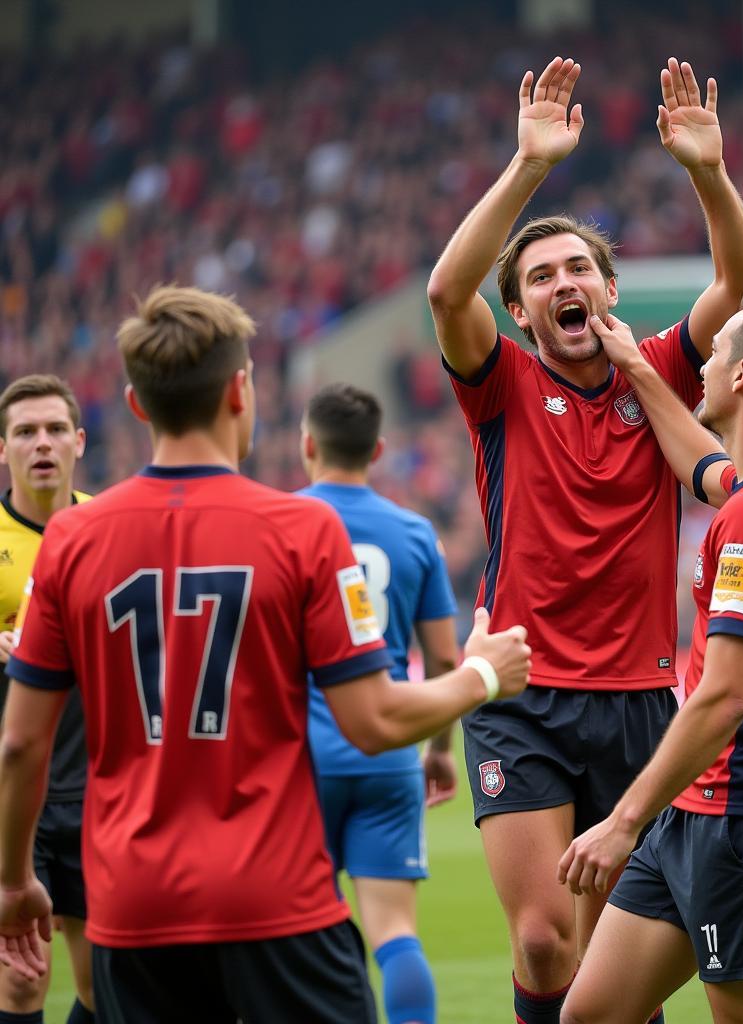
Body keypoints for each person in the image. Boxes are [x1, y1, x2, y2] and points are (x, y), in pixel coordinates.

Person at [0, 285, 531, 1024]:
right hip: (273, 896)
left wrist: (13, 878)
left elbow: (21, 740)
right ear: (241, 392)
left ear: (133, 404)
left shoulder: (71, 542)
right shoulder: (301, 532)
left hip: (131, 899)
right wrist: (481, 674)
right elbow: (374, 718)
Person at [426, 54, 743, 1022]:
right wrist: (529, 167)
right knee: (544, 937)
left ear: (609, 289)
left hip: (636, 701)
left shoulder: (654, 367)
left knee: (619, 953)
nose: (562, 282)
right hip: (522, 694)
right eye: (540, 277)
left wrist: (707, 171)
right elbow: (449, 293)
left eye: (578, 266)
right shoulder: (500, 381)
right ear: (525, 311)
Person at [557, 281, 743, 1024]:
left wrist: (624, 819)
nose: (708, 360)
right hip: (701, 811)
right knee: (589, 1013)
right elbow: (706, 467)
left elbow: (724, 697)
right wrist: (638, 369)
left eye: (718, 350)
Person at [299, 382, 459, 1024]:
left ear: (307, 444)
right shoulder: (415, 532)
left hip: (302, 758)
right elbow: (446, 661)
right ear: (378, 450)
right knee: (395, 931)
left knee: (293, 935)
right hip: (391, 751)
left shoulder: (281, 521)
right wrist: (439, 749)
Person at [0, 375, 95, 1024]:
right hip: (14, 796)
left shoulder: (108, 530)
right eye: (25, 432)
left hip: (98, 789)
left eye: (56, 429)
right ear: (2, 447)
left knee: (103, 990)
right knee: (21, 986)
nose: (42, 444)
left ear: (79, 442)